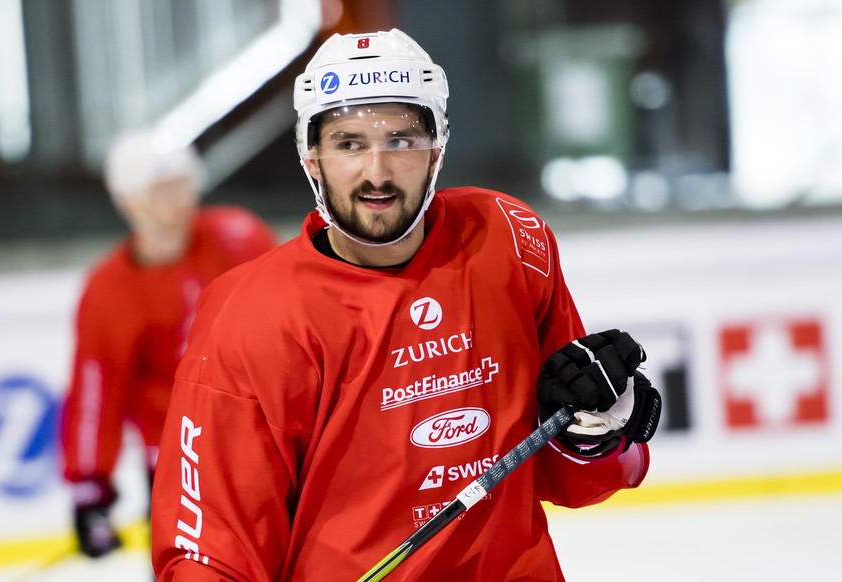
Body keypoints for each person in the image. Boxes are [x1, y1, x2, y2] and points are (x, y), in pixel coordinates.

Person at [150, 28, 661, 581]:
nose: (377, 172)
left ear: (436, 150)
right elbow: (209, 553)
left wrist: (598, 433)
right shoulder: (251, 314)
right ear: (312, 157)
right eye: (349, 143)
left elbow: (580, 479)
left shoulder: (508, 240)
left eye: (400, 141)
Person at [59, 128, 279, 558]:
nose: (179, 197)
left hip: (263, 446)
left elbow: (290, 329)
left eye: (183, 182)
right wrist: (90, 486)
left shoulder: (241, 237)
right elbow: (96, 391)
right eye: (162, 187)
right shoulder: (109, 290)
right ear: (128, 201)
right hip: (177, 465)